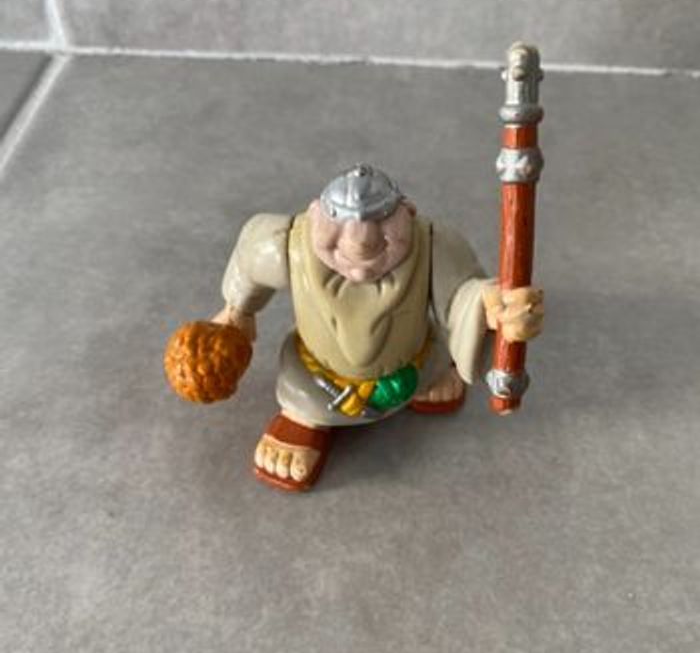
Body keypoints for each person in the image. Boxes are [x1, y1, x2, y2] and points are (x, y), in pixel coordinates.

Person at [209, 163, 544, 491]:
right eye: (339, 232)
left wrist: (491, 308)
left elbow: (460, 294)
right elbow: (250, 258)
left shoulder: (431, 243)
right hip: (316, 379)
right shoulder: (288, 242)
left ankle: (428, 377)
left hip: (416, 361)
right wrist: (236, 312)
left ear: (409, 213)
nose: (360, 247)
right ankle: (304, 417)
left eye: (380, 231)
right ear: (313, 214)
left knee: (435, 360)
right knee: (307, 396)